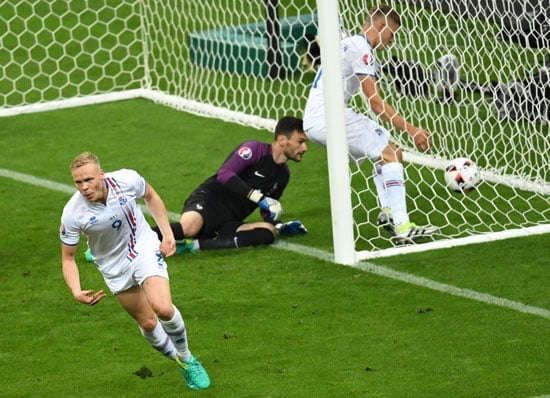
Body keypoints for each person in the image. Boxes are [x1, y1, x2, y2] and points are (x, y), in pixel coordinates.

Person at [59, 152, 210, 390]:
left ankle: (188, 357)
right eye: (78, 182)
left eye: (89, 180)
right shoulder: (72, 213)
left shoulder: (126, 180)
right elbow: (68, 258)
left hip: (141, 246)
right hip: (112, 265)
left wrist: (167, 234)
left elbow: (150, 195)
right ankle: (179, 360)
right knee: (149, 323)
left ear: (101, 174)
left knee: (162, 307)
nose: (84, 187)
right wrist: (76, 290)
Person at [303, 4, 439, 244]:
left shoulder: (348, 43)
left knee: (391, 152)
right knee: (390, 154)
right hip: (328, 117)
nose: (392, 41)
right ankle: (403, 226)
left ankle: (388, 213)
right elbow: (375, 102)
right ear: (380, 25)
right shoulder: (361, 48)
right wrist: (413, 129)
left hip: (319, 118)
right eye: (392, 34)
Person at [152, 116, 308, 254]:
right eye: (300, 142)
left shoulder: (283, 175)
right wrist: (258, 197)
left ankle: (194, 246)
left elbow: (267, 209)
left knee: (268, 232)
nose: (304, 148)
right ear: (282, 140)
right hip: (209, 201)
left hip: (229, 221)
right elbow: (225, 174)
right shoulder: (254, 150)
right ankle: (136, 236)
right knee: (189, 228)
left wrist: (279, 225)